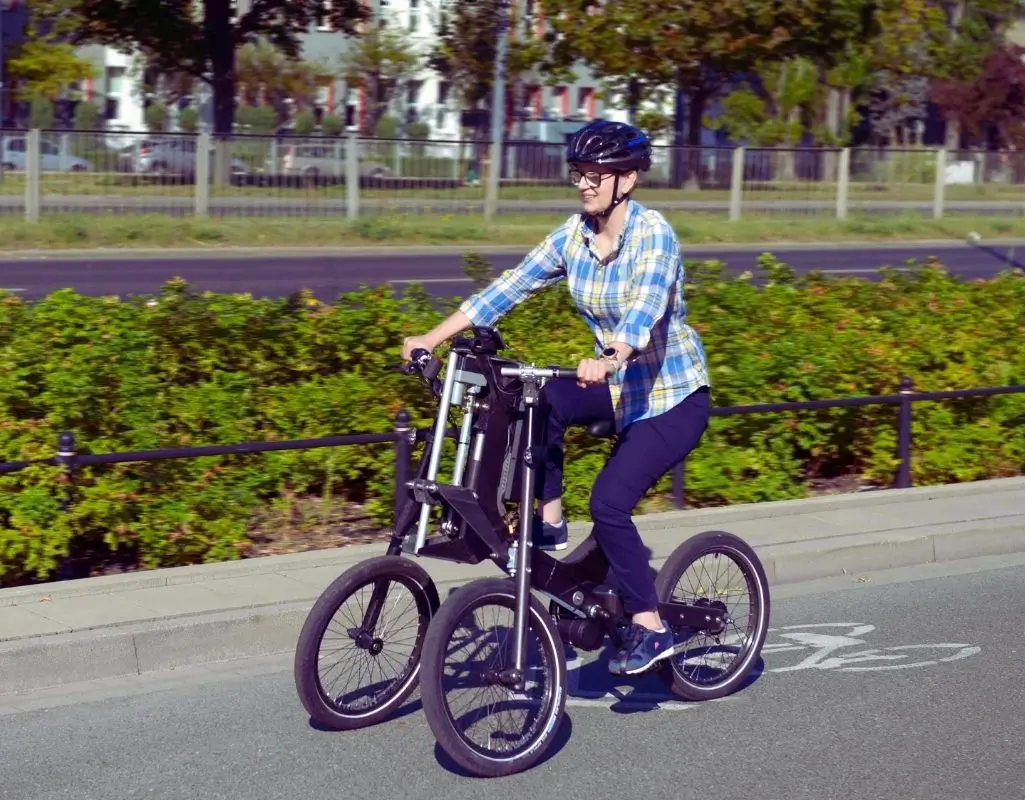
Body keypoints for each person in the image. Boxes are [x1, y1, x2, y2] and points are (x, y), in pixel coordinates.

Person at [401, 119, 711, 677]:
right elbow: (509, 286)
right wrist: (431, 337)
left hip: (671, 398)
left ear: (628, 179)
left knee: (610, 503)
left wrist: (615, 353)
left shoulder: (654, 235)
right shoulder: (574, 236)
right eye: (580, 174)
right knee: (536, 396)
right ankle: (548, 517)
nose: (585, 185)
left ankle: (650, 626)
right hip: (619, 391)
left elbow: (646, 305)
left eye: (597, 175)